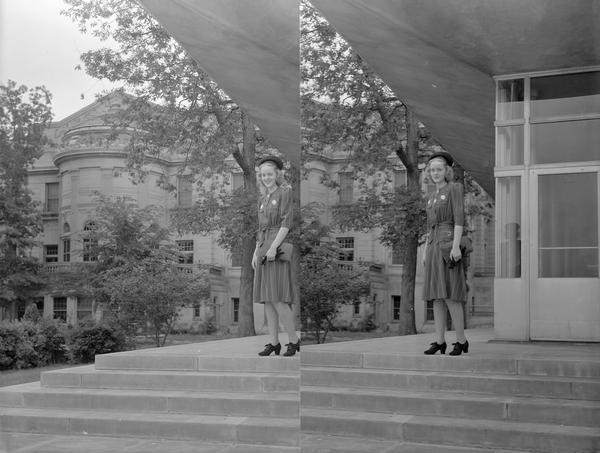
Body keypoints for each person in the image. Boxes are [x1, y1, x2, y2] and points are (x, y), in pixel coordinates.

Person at [422, 151, 469, 356]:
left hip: (448, 244)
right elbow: (429, 227)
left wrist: (456, 246)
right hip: (433, 246)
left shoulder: (455, 189)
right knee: (436, 297)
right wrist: (425, 251)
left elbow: (459, 218)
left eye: (439, 169)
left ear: (446, 170)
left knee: (451, 296)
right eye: (432, 170)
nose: (435, 173)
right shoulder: (431, 196)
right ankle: (439, 341)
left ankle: (461, 341)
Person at [252, 155, 300, 357]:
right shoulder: (262, 198)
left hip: (276, 249)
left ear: (277, 174)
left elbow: (286, 223)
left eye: (270, 174)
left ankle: (294, 340)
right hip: (263, 247)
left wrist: (273, 248)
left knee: (278, 298)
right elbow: (261, 228)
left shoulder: (285, 192)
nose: (266, 177)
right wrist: (256, 252)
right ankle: (274, 343)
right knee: (267, 300)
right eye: (263, 175)